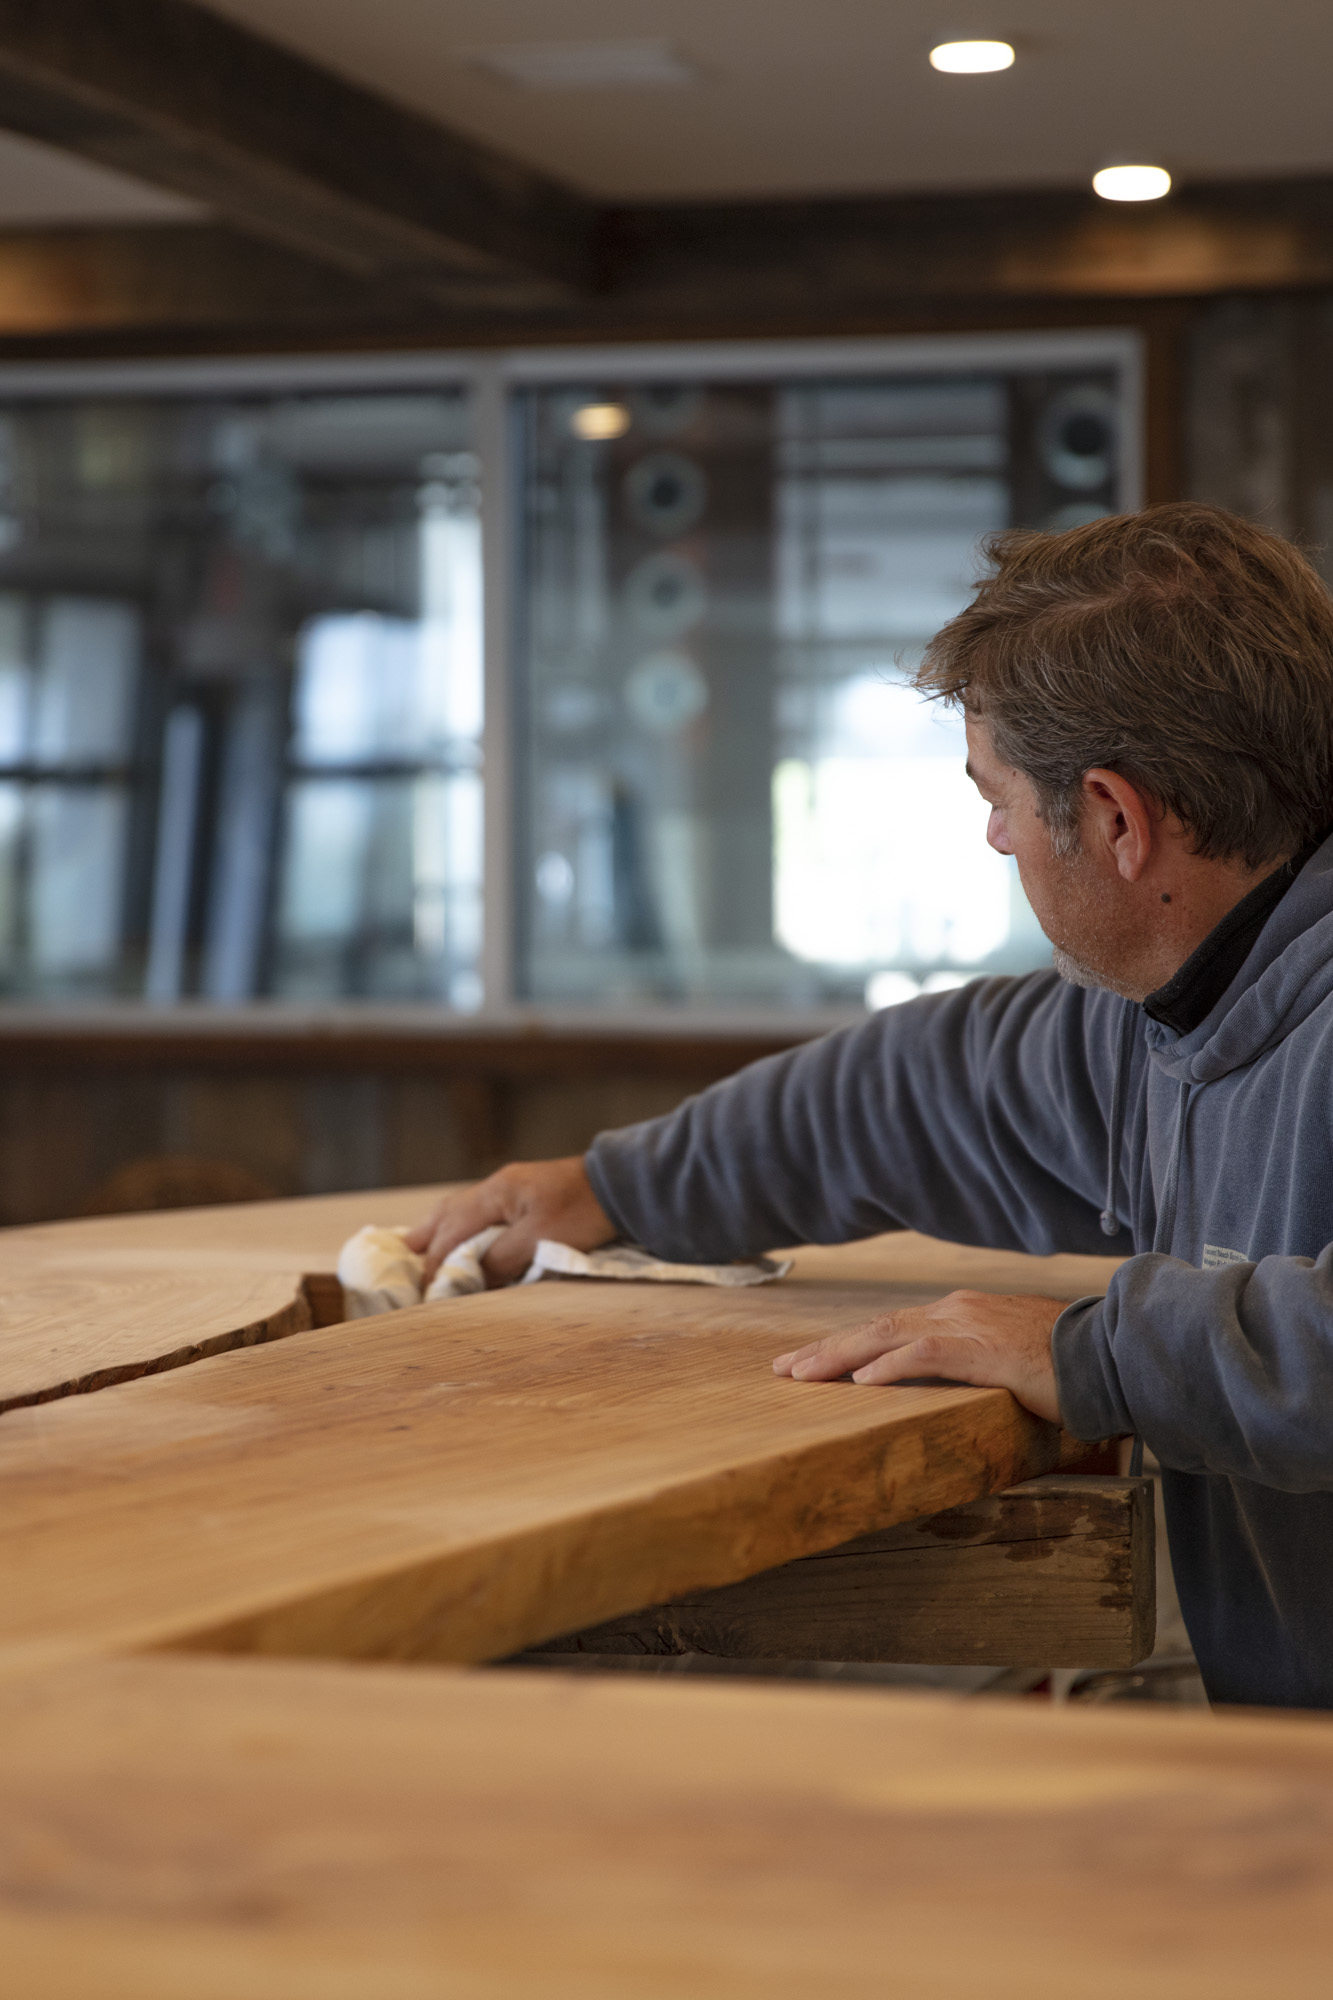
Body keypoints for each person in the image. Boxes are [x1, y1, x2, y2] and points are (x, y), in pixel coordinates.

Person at [408, 502, 1333, 1711]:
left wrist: (1088, 1348)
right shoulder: (1186, 1007)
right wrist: (610, 1189)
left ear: (1115, 818)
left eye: (993, 794)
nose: (995, 834)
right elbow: (913, 1092)